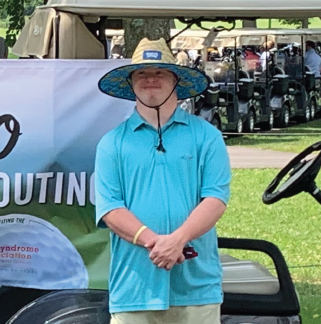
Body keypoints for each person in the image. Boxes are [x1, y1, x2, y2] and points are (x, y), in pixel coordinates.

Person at [94, 38, 231, 324]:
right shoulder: (112, 144)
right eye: (142, 73)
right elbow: (110, 209)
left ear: (175, 80)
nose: (150, 79)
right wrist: (157, 244)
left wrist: (178, 240)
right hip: (134, 287)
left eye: (159, 72)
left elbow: (216, 199)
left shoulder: (206, 137)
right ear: (131, 83)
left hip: (197, 287)